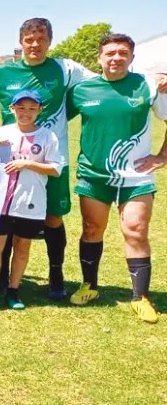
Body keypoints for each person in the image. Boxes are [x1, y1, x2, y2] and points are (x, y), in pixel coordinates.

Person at [0, 18, 167, 300]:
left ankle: (56, 273)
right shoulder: (3, 72)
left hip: (52, 157)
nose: (35, 44)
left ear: (49, 41)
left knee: (53, 216)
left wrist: (156, 77)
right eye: (29, 39)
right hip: (9, 159)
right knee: (7, 215)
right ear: (21, 41)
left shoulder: (66, 68)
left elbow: (108, 78)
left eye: (41, 39)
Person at [64, 33, 167, 323]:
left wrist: (162, 157)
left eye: (123, 53)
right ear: (100, 57)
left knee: (135, 230)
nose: (116, 58)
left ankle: (140, 296)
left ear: (132, 58)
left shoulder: (148, 85)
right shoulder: (83, 90)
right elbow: (53, 117)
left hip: (136, 175)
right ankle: (89, 285)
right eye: (110, 53)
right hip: (94, 174)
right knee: (92, 228)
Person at [0, 90, 64, 309]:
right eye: (21, 107)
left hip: (30, 201)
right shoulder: (1, 133)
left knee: (22, 246)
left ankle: (14, 291)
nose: (26, 112)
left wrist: (28, 164)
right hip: (0, 202)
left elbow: (55, 169)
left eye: (32, 108)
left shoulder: (47, 136)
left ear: (39, 110)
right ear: (12, 109)